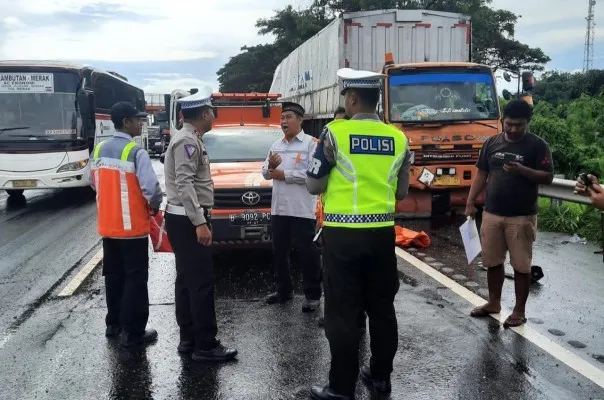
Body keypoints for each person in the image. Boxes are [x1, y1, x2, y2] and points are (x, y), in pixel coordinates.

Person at [306, 68, 411, 400]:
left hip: (343, 235)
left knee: (343, 312)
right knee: (382, 309)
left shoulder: (334, 134)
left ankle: (341, 387)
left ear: (352, 98)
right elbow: (403, 192)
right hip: (381, 235)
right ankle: (380, 378)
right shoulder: (399, 138)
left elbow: (313, 184)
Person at [465, 99, 554, 328]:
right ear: (502, 121)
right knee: (492, 262)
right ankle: (493, 303)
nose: (513, 129)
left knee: (521, 266)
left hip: (522, 216)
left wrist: (521, 170)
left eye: (519, 125)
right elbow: (481, 174)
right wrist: (470, 201)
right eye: (509, 124)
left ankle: (518, 311)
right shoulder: (491, 143)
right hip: (492, 213)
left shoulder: (537, 146)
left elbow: (547, 177)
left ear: (527, 123)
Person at [163, 91, 237, 362]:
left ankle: (189, 339)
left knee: (186, 280)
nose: (214, 115)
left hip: (183, 218)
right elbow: (184, 183)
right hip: (188, 219)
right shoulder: (187, 142)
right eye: (211, 111)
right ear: (204, 114)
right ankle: (205, 344)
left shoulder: (189, 139)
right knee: (201, 283)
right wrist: (200, 222)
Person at [89, 101, 163, 347]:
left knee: (114, 277)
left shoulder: (99, 150)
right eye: (137, 119)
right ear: (126, 122)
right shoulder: (135, 152)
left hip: (108, 228)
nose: (141, 123)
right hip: (132, 229)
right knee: (135, 279)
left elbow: (93, 182)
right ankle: (134, 331)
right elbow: (151, 189)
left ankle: (114, 324)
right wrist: (154, 204)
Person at [262, 101, 323, 312]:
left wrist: (284, 175)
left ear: (300, 119)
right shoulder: (276, 145)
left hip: (302, 209)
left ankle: (313, 294)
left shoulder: (311, 144)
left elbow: (312, 175)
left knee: (308, 253)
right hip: (279, 208)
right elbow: (264, 172)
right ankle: (283, 291)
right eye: (282, 118)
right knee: (279, 252)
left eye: (288, 117)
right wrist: (270, 167)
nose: (283, 121)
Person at [315, 107, 367, 333]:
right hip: (335, 219)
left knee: (341, 279)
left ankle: (348, 319)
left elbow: (314, 183)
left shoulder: (336, 141)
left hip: (343, 225)